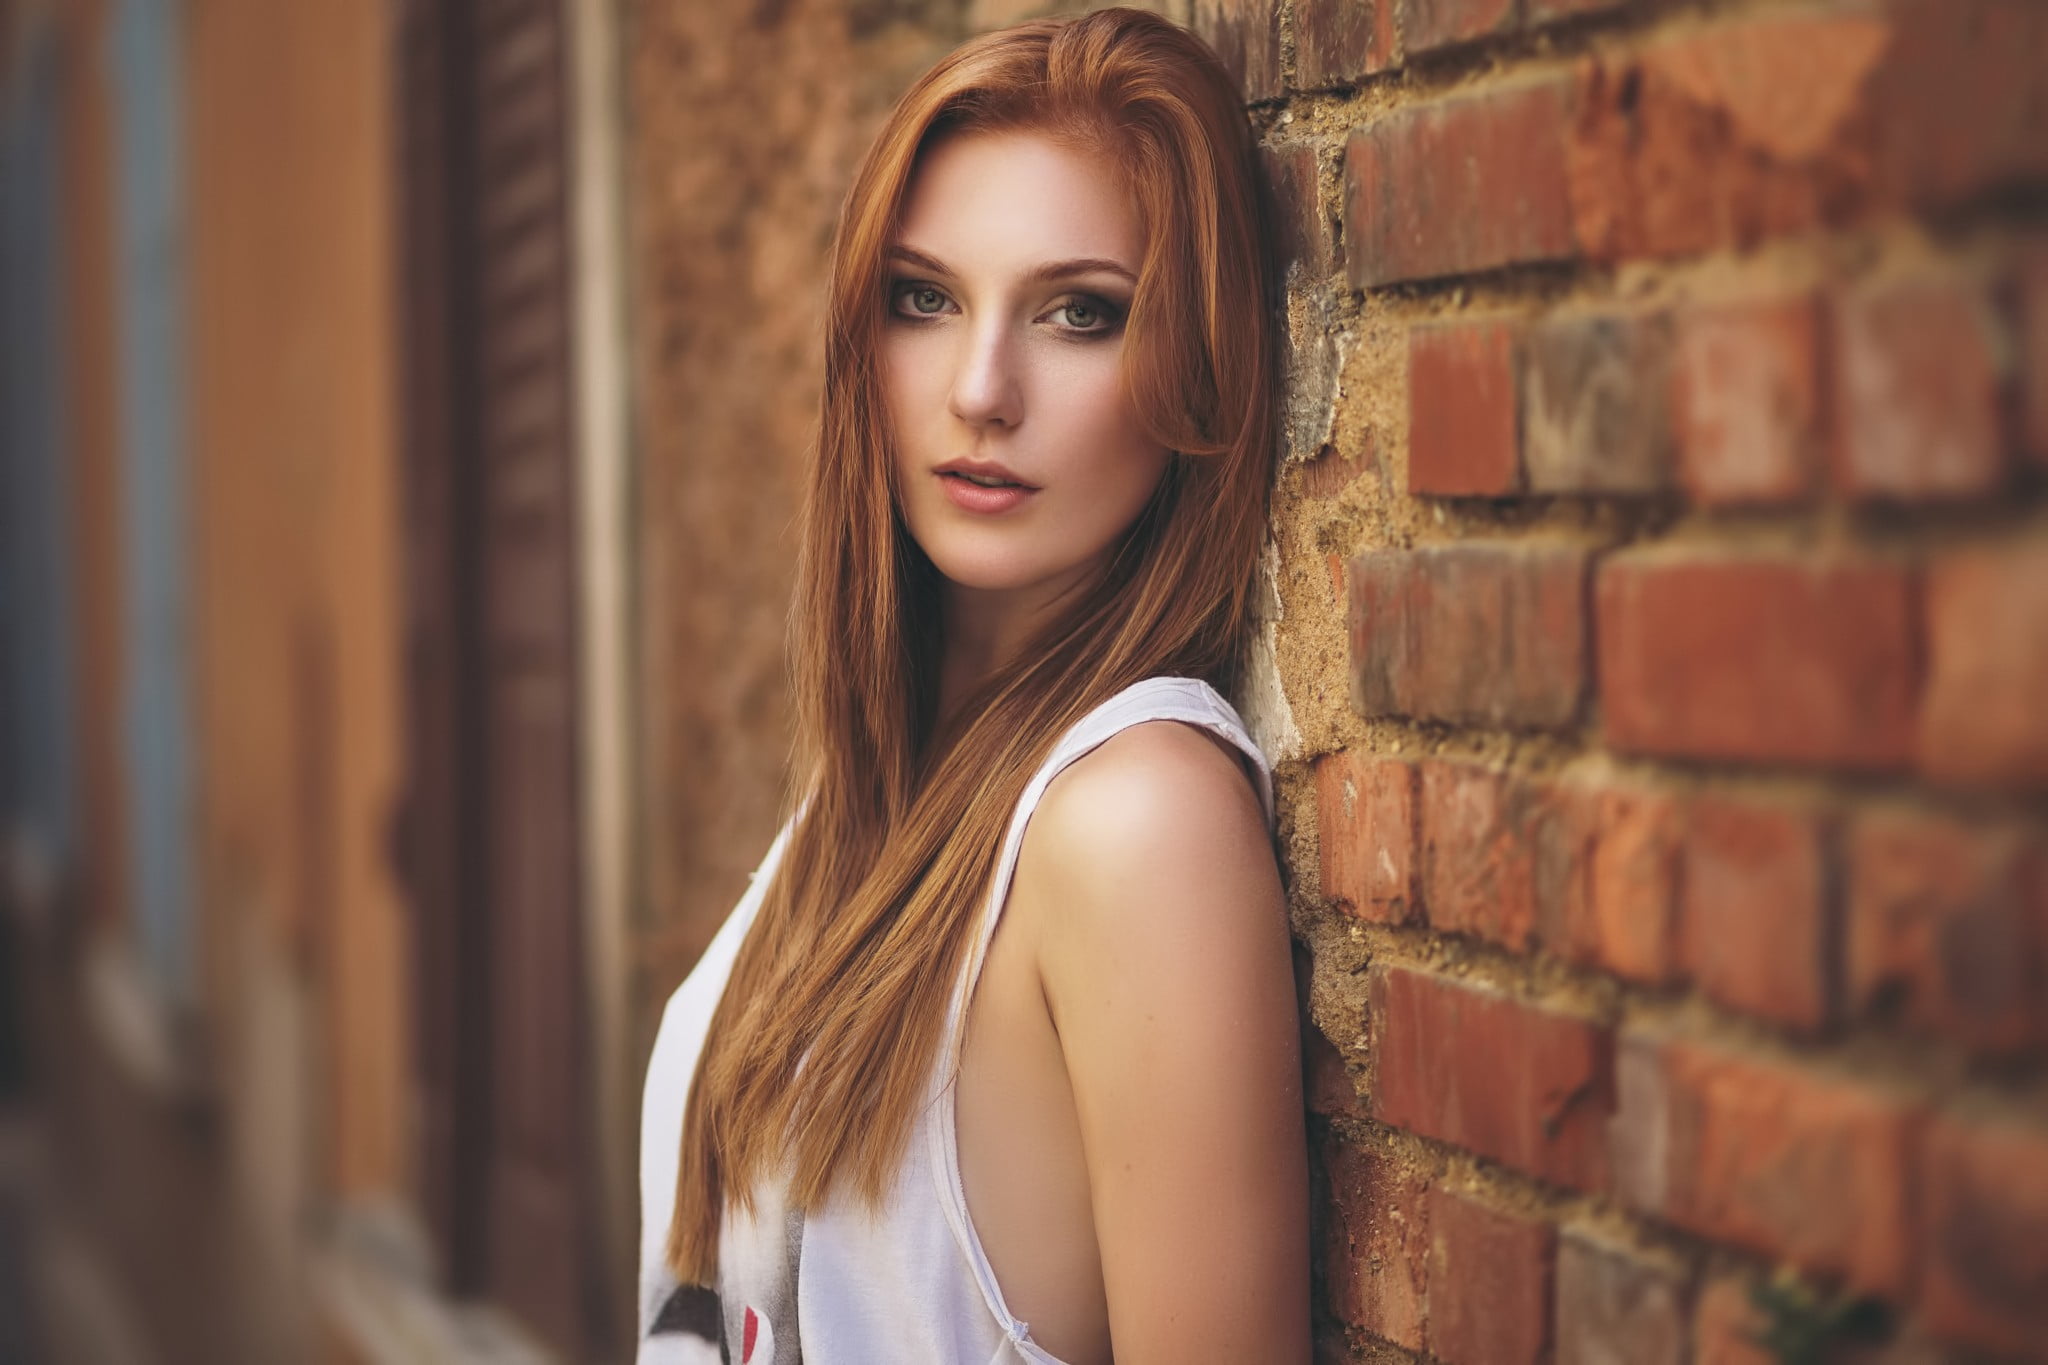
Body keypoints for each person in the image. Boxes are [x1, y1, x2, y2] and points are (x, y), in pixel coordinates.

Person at [636, 9, 1309, 1362]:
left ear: (1199, 369)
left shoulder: (1135, 826)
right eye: (924, 298)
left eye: (1082, 314)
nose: (981, 389)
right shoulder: (879, 798)